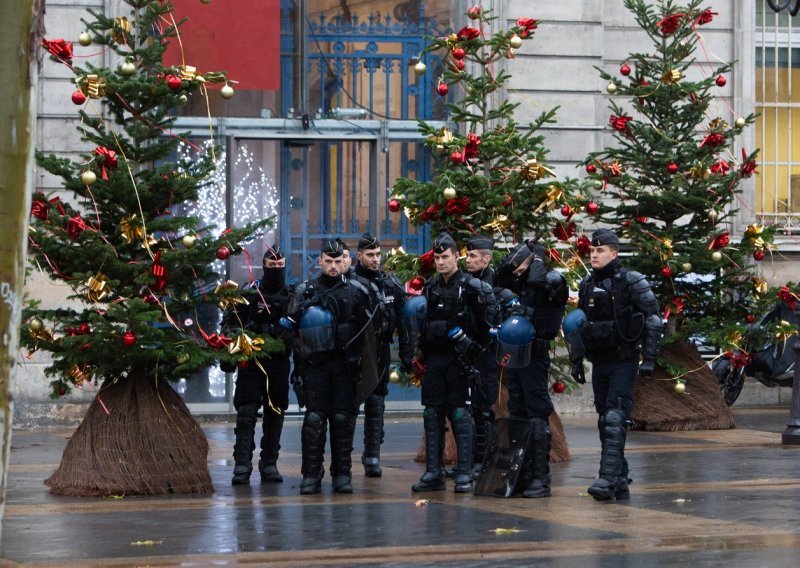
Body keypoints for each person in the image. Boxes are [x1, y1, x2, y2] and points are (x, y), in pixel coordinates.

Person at [573, 228, 663, 501]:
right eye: (592, 251)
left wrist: (649, 359)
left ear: (614, 253)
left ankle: (607, 478)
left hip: (624, 360)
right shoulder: (587, 283)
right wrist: (576, 360)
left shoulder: (632, 281)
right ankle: (620, 478)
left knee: (614, 417)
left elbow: (653, 319)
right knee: (606, 421)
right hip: (600, 361)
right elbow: (578, 324)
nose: (594, 255)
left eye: (600, 251)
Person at [285, 239, 376, 494]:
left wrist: (358, 359)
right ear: (320, 261)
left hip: (344, 367)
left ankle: (342, 474)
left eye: (338, 261)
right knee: (314, 419)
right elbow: (288, 328)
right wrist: (300, 352)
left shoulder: (357, 292)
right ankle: (311, 474)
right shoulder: (305, 291)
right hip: (315, 366)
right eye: (329, 261)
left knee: (341, 419)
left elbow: (368, 333)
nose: (334, 266)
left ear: (344, 261)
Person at [412, 232, 498, 494]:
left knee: (461, 415)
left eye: (445, 257)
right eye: (437, 257)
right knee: (432, 413)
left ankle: (463, 472)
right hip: (437, 360)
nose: (440, 262)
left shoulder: (472, 287)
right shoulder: (431, 287)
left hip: (461, 361)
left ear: (456, 257)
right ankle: (433, 472)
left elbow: (488, 328)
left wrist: (472, 350)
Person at [494, 240, 568, 498]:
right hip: (515, 354)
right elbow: (497, 282)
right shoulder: (521, 279)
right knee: (518, 410)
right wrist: (510, 263)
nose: (516, 271)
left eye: (520, 264)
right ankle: (522, 473)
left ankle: (540, 477)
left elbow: (538, 282)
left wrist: (535, 258)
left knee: (537, 412)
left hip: (535, 355)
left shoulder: (550, 279)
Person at [222, 245, 292, 485]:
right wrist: (230, 354)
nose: (275, 270)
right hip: (251, 361)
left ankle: (269, 461)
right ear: (263, 267)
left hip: (279, 361)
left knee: (275, 411)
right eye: (271, 266)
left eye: (279, 266)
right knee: (246, 412)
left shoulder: (292, 296)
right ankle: (242, 463)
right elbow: (230, 324)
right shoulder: (250, 293)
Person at [355, 233, 414, 477]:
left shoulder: (391, 285)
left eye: (378, 254)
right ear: (359, 256)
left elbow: (404, 324)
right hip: (355, 352)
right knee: (345, 408)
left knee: (376, 403)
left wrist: (407, 356)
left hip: (379, 350)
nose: (375, 259)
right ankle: (341, 460)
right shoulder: (350, 283)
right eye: (370, 255)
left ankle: (372, 455)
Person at [463, 235, 501, 473]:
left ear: (486, 259)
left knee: (483, 409)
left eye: (473, 256)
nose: (468, 260)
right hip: (465, 351)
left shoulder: (494, 284)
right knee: (466, 409)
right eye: (467, 255)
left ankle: (483, 460)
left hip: (485, 353)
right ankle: (467, 461)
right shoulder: (464, 282)